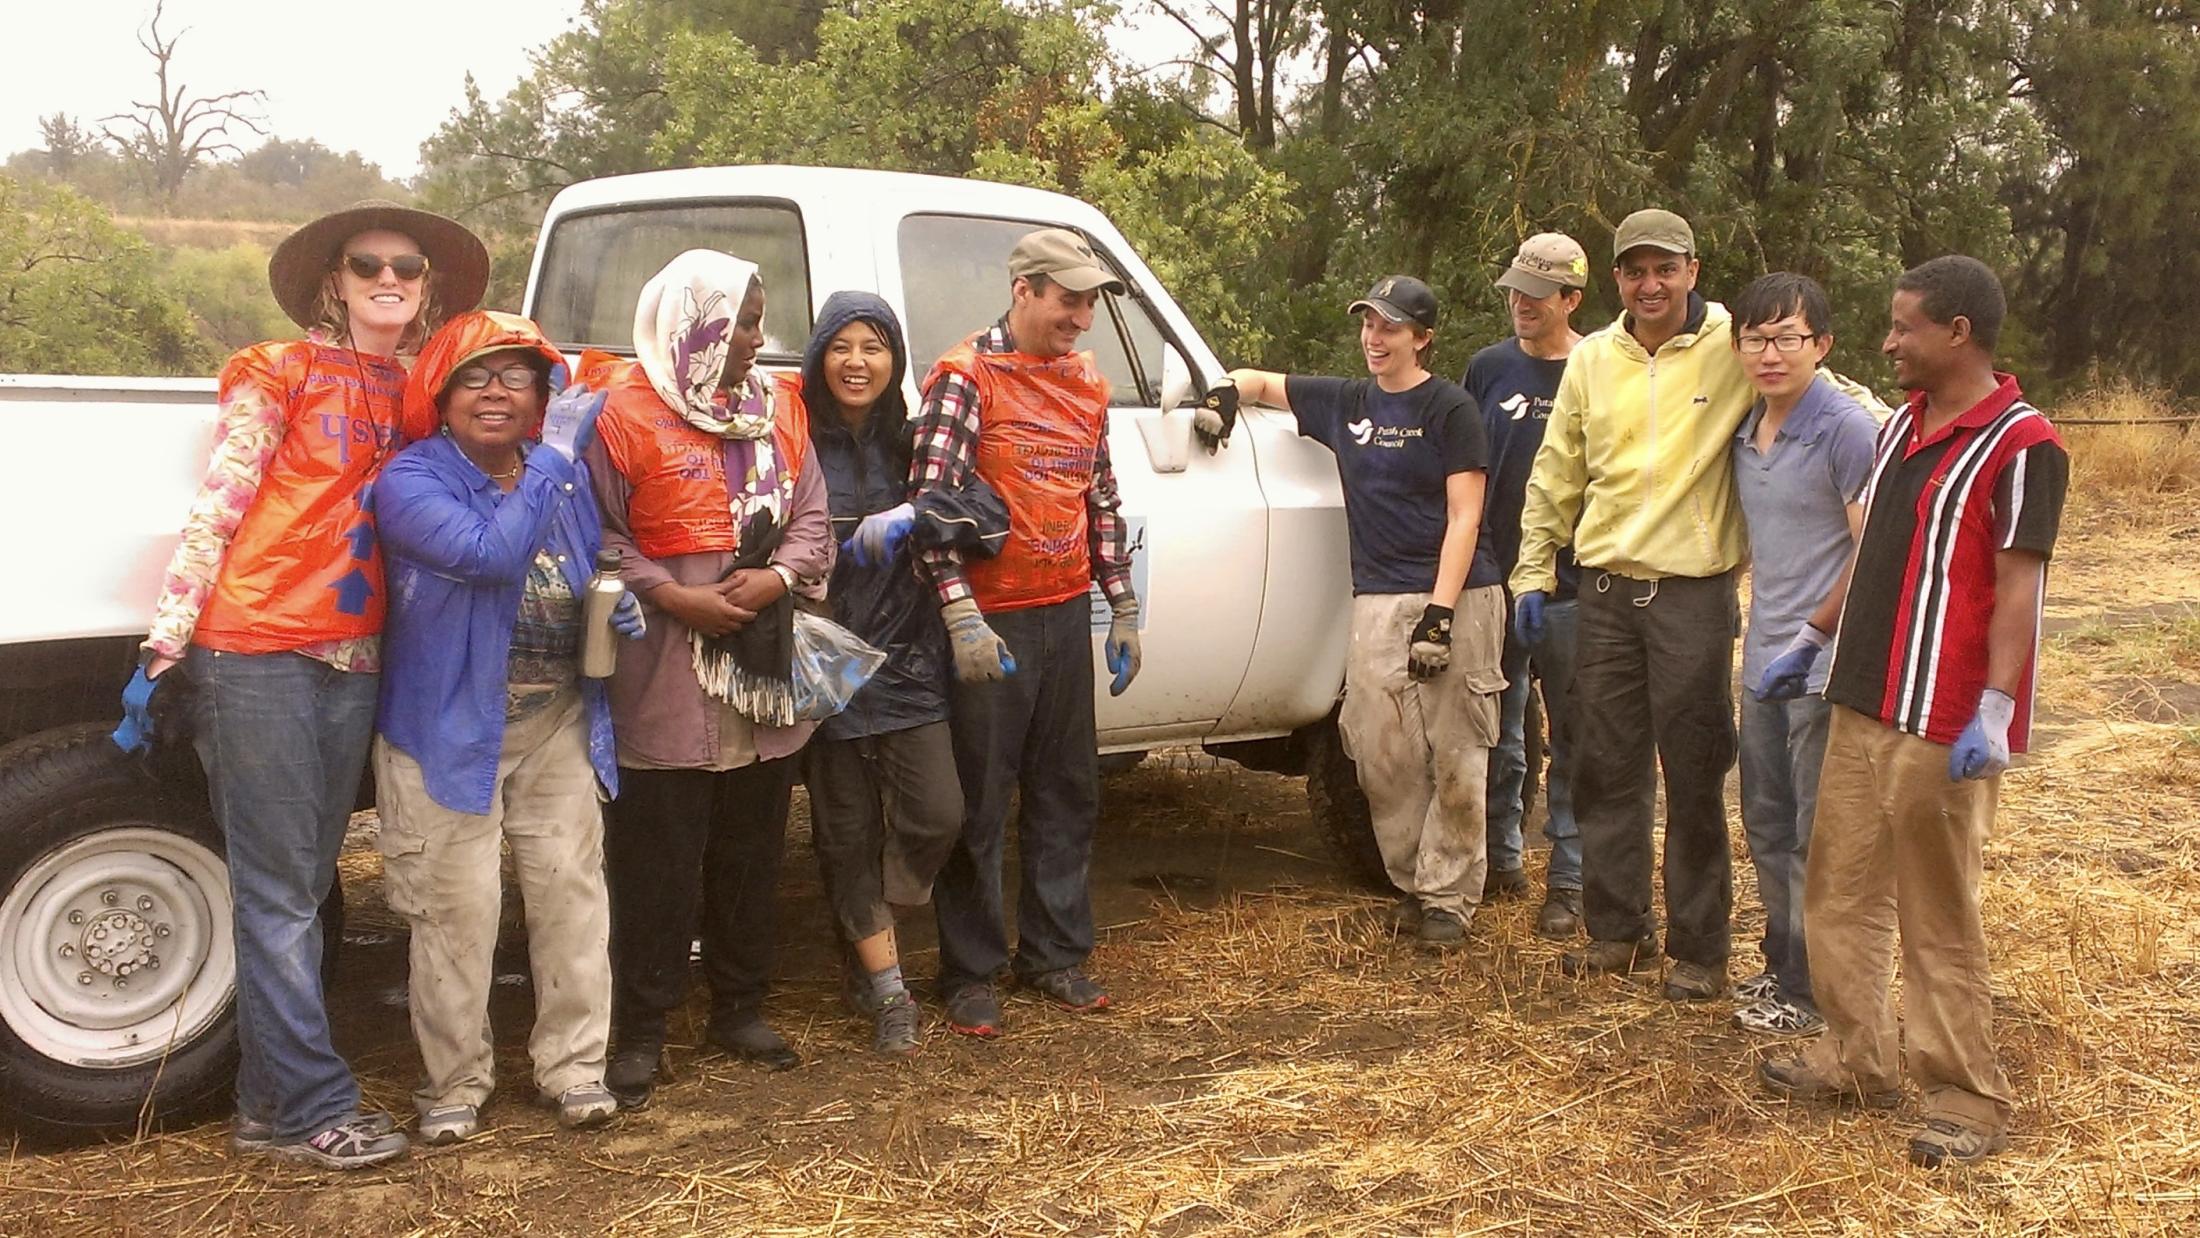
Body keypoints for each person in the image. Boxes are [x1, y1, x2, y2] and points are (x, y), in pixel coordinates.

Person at [112, 201, 488, 1168]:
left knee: (306, 886)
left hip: (357, 653)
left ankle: (259, 1107)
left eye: (405, 265)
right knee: (280, 892)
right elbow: (224, 498)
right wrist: (169, 638)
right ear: (336, 281)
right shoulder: (276, 370)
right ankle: (310, 1107)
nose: (388, 278)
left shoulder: (419, 390)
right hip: (258, 647)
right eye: (368, 266)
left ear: (426, 283)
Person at [1758, 256, 2066, 1169]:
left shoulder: (2024, 447)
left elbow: (2021, 591)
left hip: (1944, 715)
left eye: (1903, 327)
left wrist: (1999, 709)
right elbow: (1877, 552)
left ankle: (1965, 1093)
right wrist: (1813, 639)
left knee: (1937, 909)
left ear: (1957, 332)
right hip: (1863, 696)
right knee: (1838, 887)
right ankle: (1857, 1057)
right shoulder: (1900, 428)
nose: (1888, 342)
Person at [371, 311, 645, 1143]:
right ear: (443, 395)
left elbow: (589, 559)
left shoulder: (554, 476)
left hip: (556, 713)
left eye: (517, 376)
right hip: (447, 728)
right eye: (475, 377)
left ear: (541, 393)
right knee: (457, 910)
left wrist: (612, 603)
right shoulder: (410, 480)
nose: (497, 392)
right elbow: (491, 556)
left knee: (572, 894)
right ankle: (455, 1083)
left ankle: (574, 1069)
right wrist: (558, 456)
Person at [580, 250, 833, 1107]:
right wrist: (674, 597)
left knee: (750, 851)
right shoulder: (621, 417)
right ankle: (643, 1029)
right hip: (662, 670)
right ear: (697, 324)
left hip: (759, 674)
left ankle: (739, 1008)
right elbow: (598, 535)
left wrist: (778, 579)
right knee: (656, 859)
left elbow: (812, 518)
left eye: (757, 320)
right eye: (746, 321)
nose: (759, 338)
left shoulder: (780, 409)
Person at [1199, 275, 1505, 949]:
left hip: (1456, 594)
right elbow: (1257, 380)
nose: (1375, 337)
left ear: (1422, 339)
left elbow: (1466, 516)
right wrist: (1221, 400)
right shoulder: (1346, 402)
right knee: (1377, 751)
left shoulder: (1450, 409)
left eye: (1391, 327)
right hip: (1376, 597)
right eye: (1368, 324)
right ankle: (1413, 883)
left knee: (1455, 750)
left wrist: (1440, 614)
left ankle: (1448, 901)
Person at [1511, 209, 1752, 1000]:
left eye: (1666, 268)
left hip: (1693, 595)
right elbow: (1557, 470)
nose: (1651, 284)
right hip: (1606, 594)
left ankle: (1700, 947)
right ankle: (1617, 933)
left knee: (1692, 773)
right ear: (1615, 280)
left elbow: (1819, 389)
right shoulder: (1594, 362)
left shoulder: (1733, 345)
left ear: (1692, 269)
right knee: (1605, 770)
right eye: (1635, 270)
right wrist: (1532, 572)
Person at [909, 228, 1143, 1037]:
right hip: (993, 620)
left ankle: (1054, 954)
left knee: (1067, 787)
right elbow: (933, 506)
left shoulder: (1086, 385)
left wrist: (1123, 605)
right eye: (1068, 300)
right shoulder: (965, 377)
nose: (1081, 318)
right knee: (979, 799)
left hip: (1063, 609)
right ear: (1025, 291)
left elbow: (1100, 499)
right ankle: (970, 970)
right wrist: (959, 614)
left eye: (1089, 303)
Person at [796, 292, 1008, 1056]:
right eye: (843, 346)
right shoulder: (796, 440)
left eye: (874, 347)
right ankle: (885, 986)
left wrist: (917, 515)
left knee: (937, 814)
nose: (858, 362)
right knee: (846, 833)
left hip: (909, 660)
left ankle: (867, 922)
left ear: (895, 361)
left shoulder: (916, 444)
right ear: (821, 355)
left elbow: (989, 513)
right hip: (822, 662)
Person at [1723, 274, 1879, 1038]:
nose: (1770, 353)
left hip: (1820, 668)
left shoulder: (1845, 429)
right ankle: (1785, 965)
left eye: (1788, 337)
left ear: (1822, 344)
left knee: (1821, 835)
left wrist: (1814, 636)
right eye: (1755, 338)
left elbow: (1872, 549)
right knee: (1767, 822)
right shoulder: (1746, 429)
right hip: (1762, 664)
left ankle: (1822, 990)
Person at [1463, 233, 1590, 939]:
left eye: (1537, 296)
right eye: (1514, 291)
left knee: (1574, 735)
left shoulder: (1599, 367)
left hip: (1574, 587)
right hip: (1496, 581)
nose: (1520, 305)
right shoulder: (1488, 368)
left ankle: (1568, 878)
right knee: (1499, 731)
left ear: (1570, 299)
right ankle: (1499, 857)